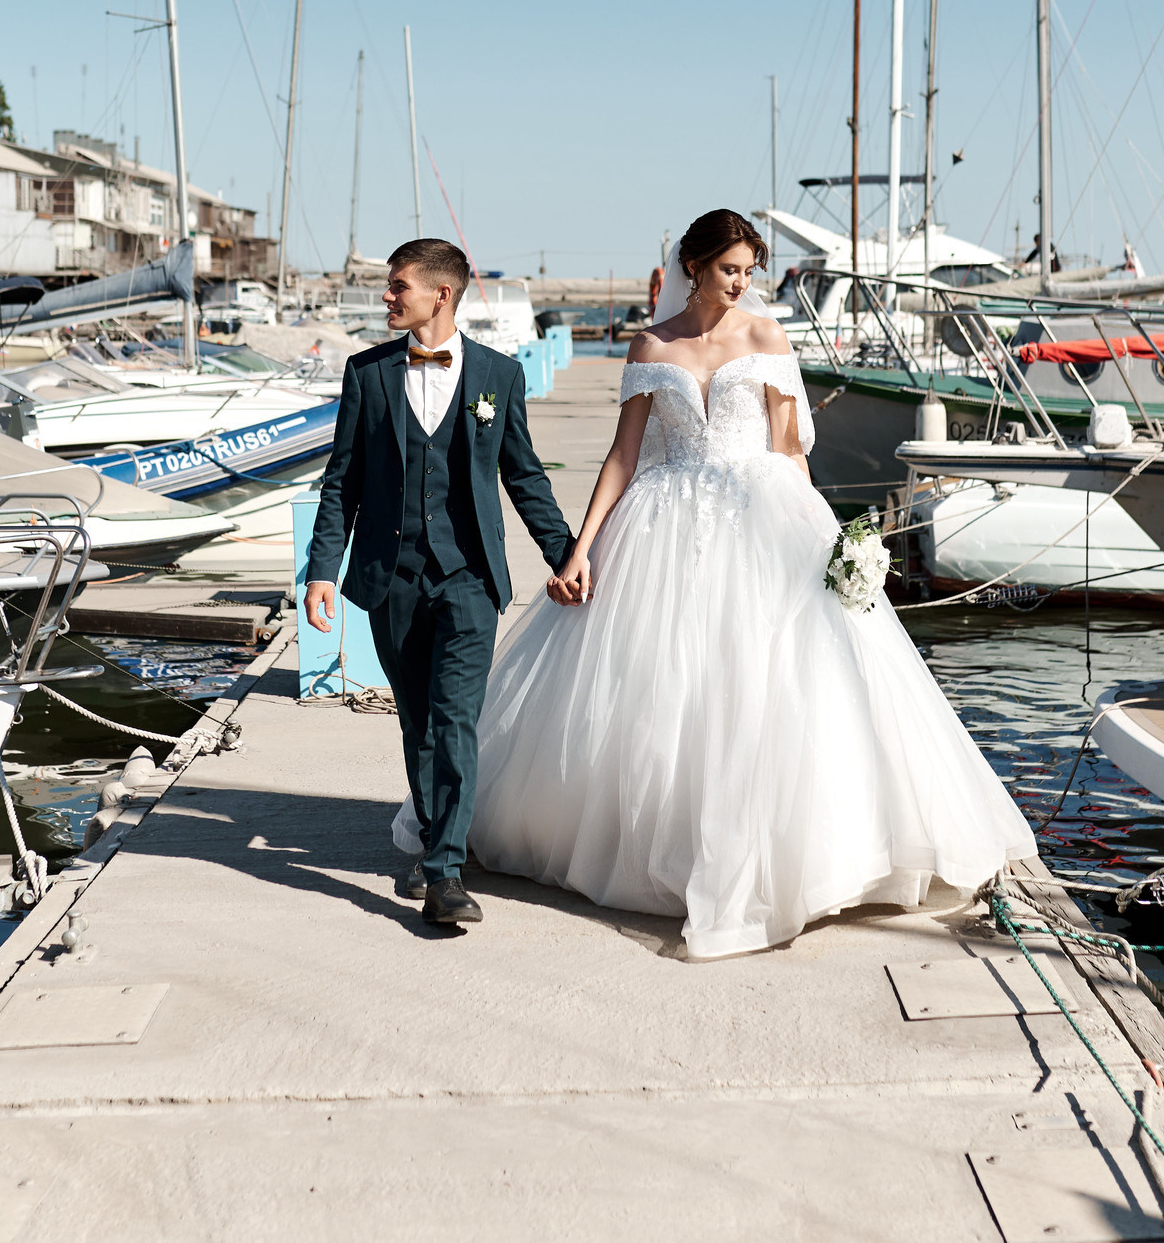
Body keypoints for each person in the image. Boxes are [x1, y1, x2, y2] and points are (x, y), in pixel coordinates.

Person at [450, 208, 1037, 959]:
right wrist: (580, 549)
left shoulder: (767, 337)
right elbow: (624, 457)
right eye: (730, 268)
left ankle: (788, 853)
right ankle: (666, 842)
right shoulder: (649, 344)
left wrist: (833, 538)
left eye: (749, 270)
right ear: (693, 265)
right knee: (665, 690)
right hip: (664, 523)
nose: (742, 283)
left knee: (766, 685)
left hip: (763, 518)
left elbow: (791, 452)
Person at [303, 238, 575, 927]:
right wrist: (322, 571)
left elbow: (524, 475)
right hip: (388, 578)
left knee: (455, 720)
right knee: (418, 719)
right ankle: (432, 840)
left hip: (468, 576)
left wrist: (565, 553)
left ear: (441, 294)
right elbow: (343, 482)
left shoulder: (498, 376)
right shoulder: (366, 374)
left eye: (398, 287)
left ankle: (446, 872)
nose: (387, 298)